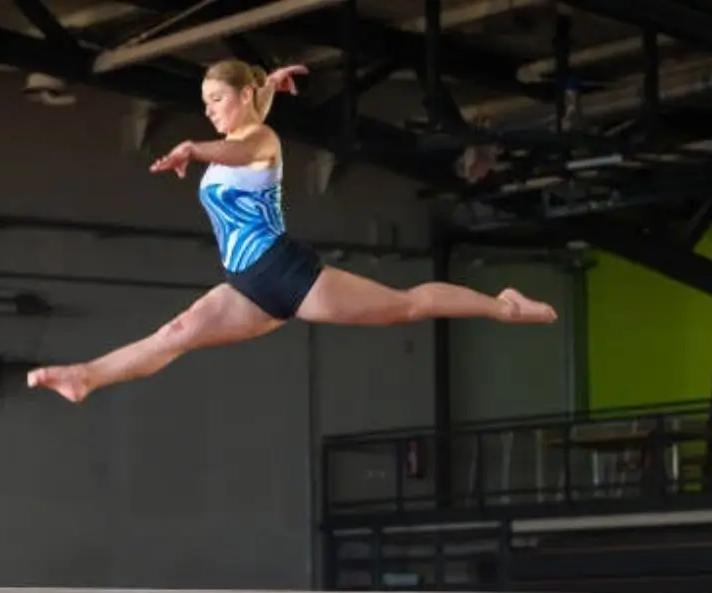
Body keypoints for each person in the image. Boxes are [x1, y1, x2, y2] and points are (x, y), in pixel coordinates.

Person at [28, 60, 557, 403]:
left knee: (405, 305)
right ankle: (86, 376)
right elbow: (242, 130)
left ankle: (502, 305)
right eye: (206, 101)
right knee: (175, 336)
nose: (209, 109)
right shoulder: (252, 126)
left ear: (239, 98)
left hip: (287, 273)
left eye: (216, 99)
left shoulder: (259, 140)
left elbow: (241, 146)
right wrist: (266, 90)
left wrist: (194, 148)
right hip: (245, 286)